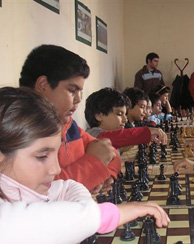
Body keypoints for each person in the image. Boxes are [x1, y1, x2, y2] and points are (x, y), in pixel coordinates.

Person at [0, 87, 170, 244]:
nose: (55, 169)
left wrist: (84, 209)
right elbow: (9, 233)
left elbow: (67, 186)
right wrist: (108, 215)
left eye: (55, 153)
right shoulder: (2, 226)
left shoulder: (24, 190)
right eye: (41, 156)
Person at [19, 44, 120, 192]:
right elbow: (39, 193)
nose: (78, 100)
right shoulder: (19, 132)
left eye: (80, 92)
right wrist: (93, 166)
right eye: (72, 91)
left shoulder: (70, 127)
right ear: (42, 85)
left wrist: (106, 175)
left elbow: (109, 152)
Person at [84, 88, 167, 148]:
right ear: (99, 115)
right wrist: (145, 133)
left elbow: (120, 144)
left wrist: (140, 140)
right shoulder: (92, 135)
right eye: (119, 114)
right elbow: (112, 138)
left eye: (125, 114)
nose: (125, 119)